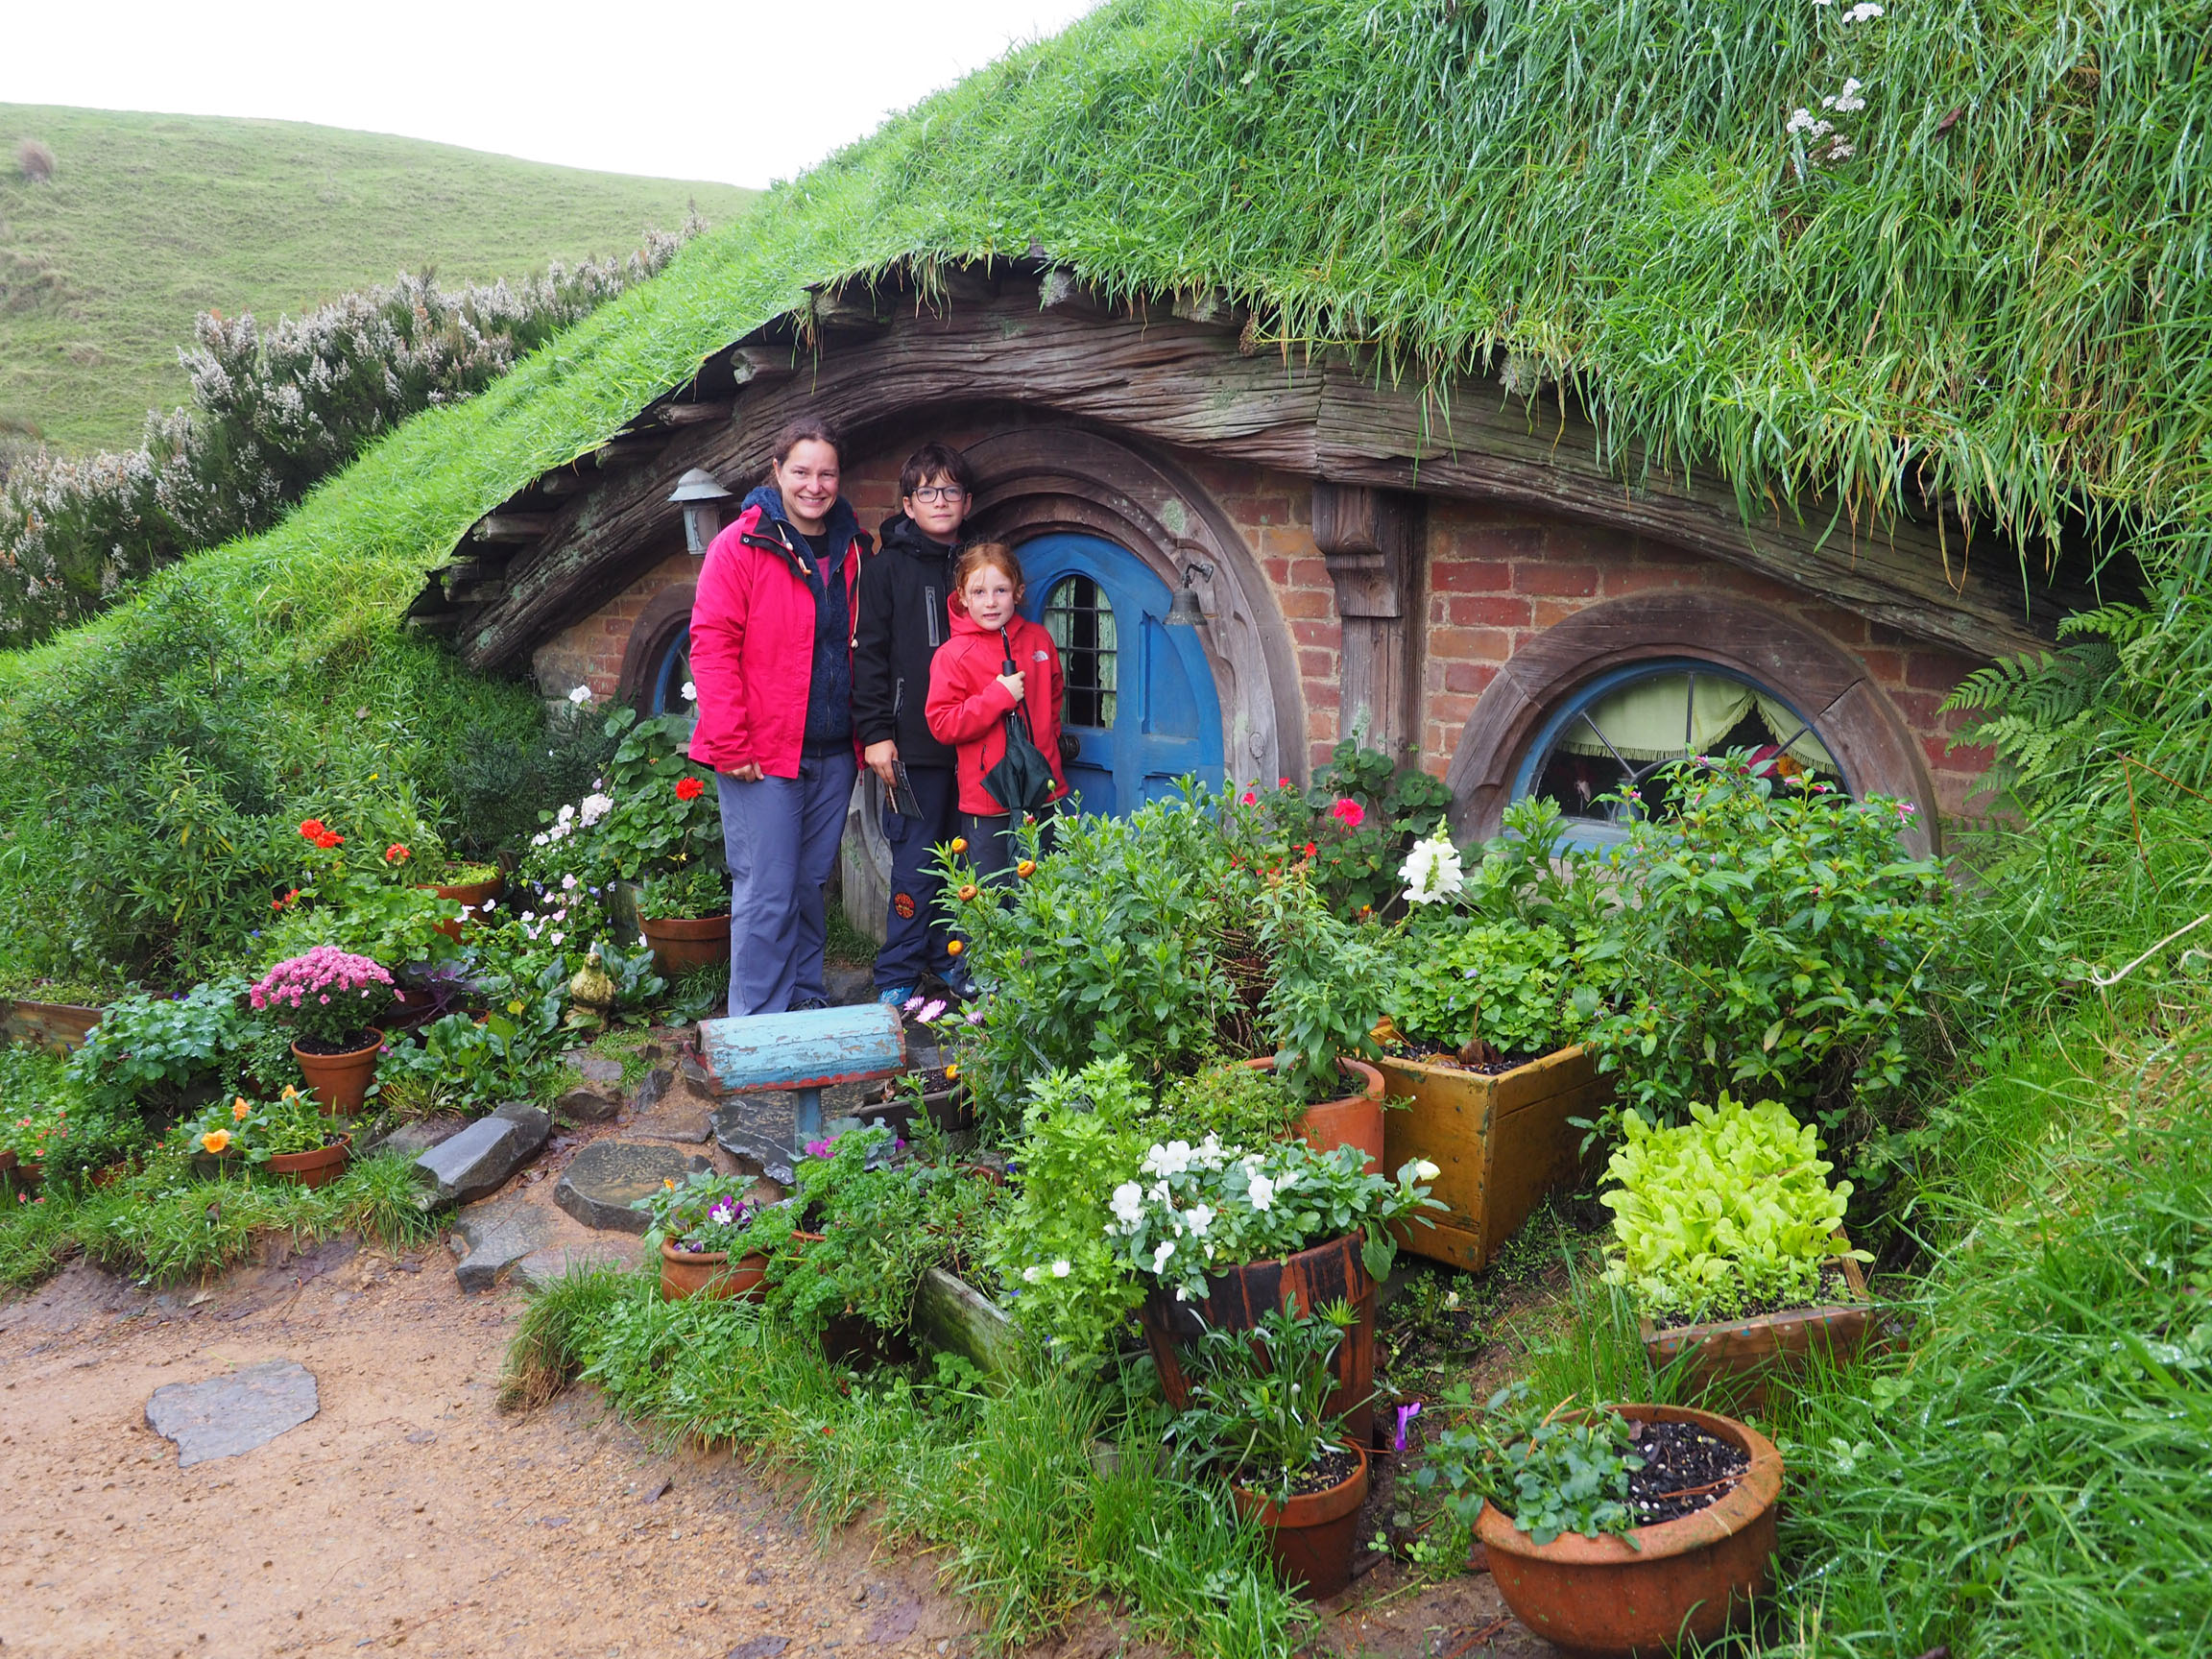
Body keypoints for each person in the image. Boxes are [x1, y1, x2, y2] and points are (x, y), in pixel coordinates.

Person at [685, 417, 870, 1016]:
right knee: (767, 890)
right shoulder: (739, 546)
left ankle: (804, 1000)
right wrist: (730, 742)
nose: (815, 486)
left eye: (827, 474)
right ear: (777, 471)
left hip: (833, 751)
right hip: (761, 753)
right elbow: (711, 647)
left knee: (809, 886)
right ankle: (757, 1025)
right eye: (801, 472)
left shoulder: (854, 549)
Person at [851, 442, 975, 1008]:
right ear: (908, 504)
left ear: (967, 501)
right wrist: (877, 735)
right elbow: (869, 657)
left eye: (950, 490)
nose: (940, 501)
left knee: (965, 860)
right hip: (911, 747)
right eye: (927, 492)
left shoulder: (978, 565)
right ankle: (898, 971)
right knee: (916, 863)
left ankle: (950, 960)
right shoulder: (886, 569)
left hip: (972, 745)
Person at [924, 541, 1067, 884]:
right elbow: (942, 723)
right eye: (979, 592)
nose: (990, 602)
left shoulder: (1039, 640)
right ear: (963, 596)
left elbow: (1054, 702)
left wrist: (1046, 749)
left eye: (1000, 590)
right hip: (988, 800)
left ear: (1018, 592)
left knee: (1048, 890)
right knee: (994, 893)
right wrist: (997, 697)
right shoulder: (952, 654)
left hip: (1044, 792)